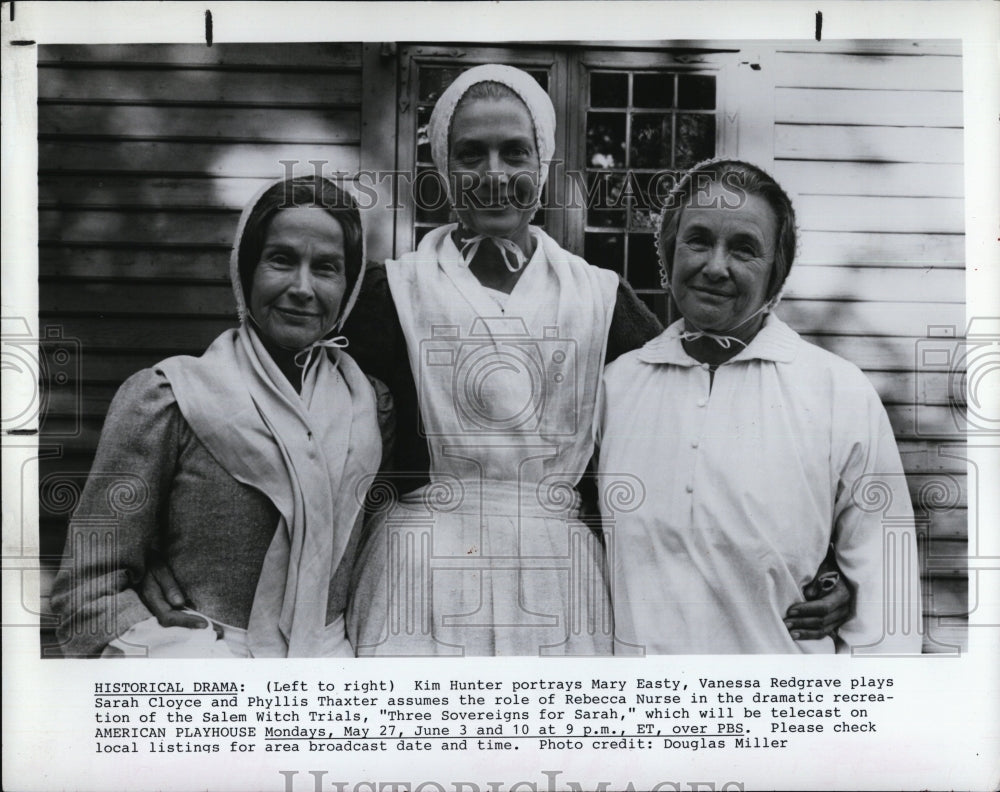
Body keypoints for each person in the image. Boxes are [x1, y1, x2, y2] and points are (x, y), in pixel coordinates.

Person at [50, 176, 390, 658]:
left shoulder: (370, 407)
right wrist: (182, 654)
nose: (302, 288)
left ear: (349, 286)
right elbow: (87, 590)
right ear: (245, 270)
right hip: (199, 671)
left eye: (327, 268)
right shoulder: (169, 399)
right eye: (282, 260)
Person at [596, 159, 922, 654]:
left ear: (777, 272)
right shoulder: (613, 392)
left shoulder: (838, 394)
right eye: (698, 240)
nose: (715, 266)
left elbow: (886, 607)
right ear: (669, 251)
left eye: (744, 249)